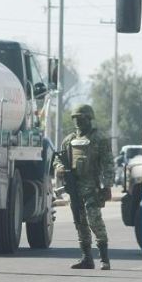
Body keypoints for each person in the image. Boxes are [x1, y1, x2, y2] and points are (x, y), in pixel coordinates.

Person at [54, 104, 115, 270]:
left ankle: (104, 258)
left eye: (81, 118)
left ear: (89, 118)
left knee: (95, 220)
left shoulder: (99, 139)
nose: (78, 121)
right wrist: (59, 168)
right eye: (75, 118)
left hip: (92, 187)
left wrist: (107, 185)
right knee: (79, 221)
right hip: (74, 187)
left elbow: (108, 163)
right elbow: (59, 159)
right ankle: (86, 258)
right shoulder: (69, 140)